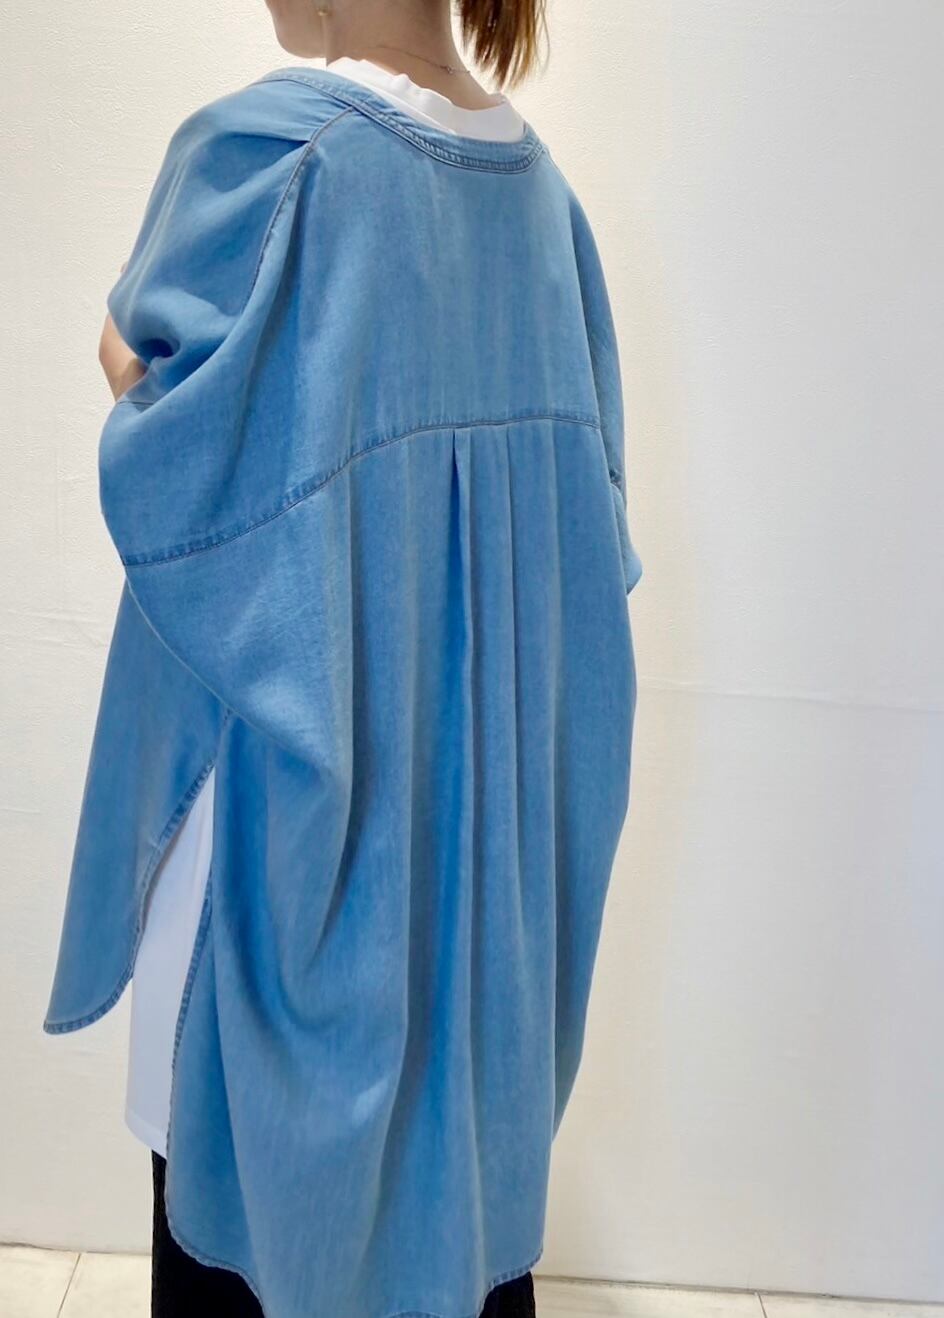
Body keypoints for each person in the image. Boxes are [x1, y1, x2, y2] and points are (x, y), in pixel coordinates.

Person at [42, 1, 643, 1315]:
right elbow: (586, 591)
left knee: (251, 1222)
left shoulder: (271, 161)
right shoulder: (548, 214)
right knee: (445, 1221)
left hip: (276, 854)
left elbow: (154, 407)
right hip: (469, 892)